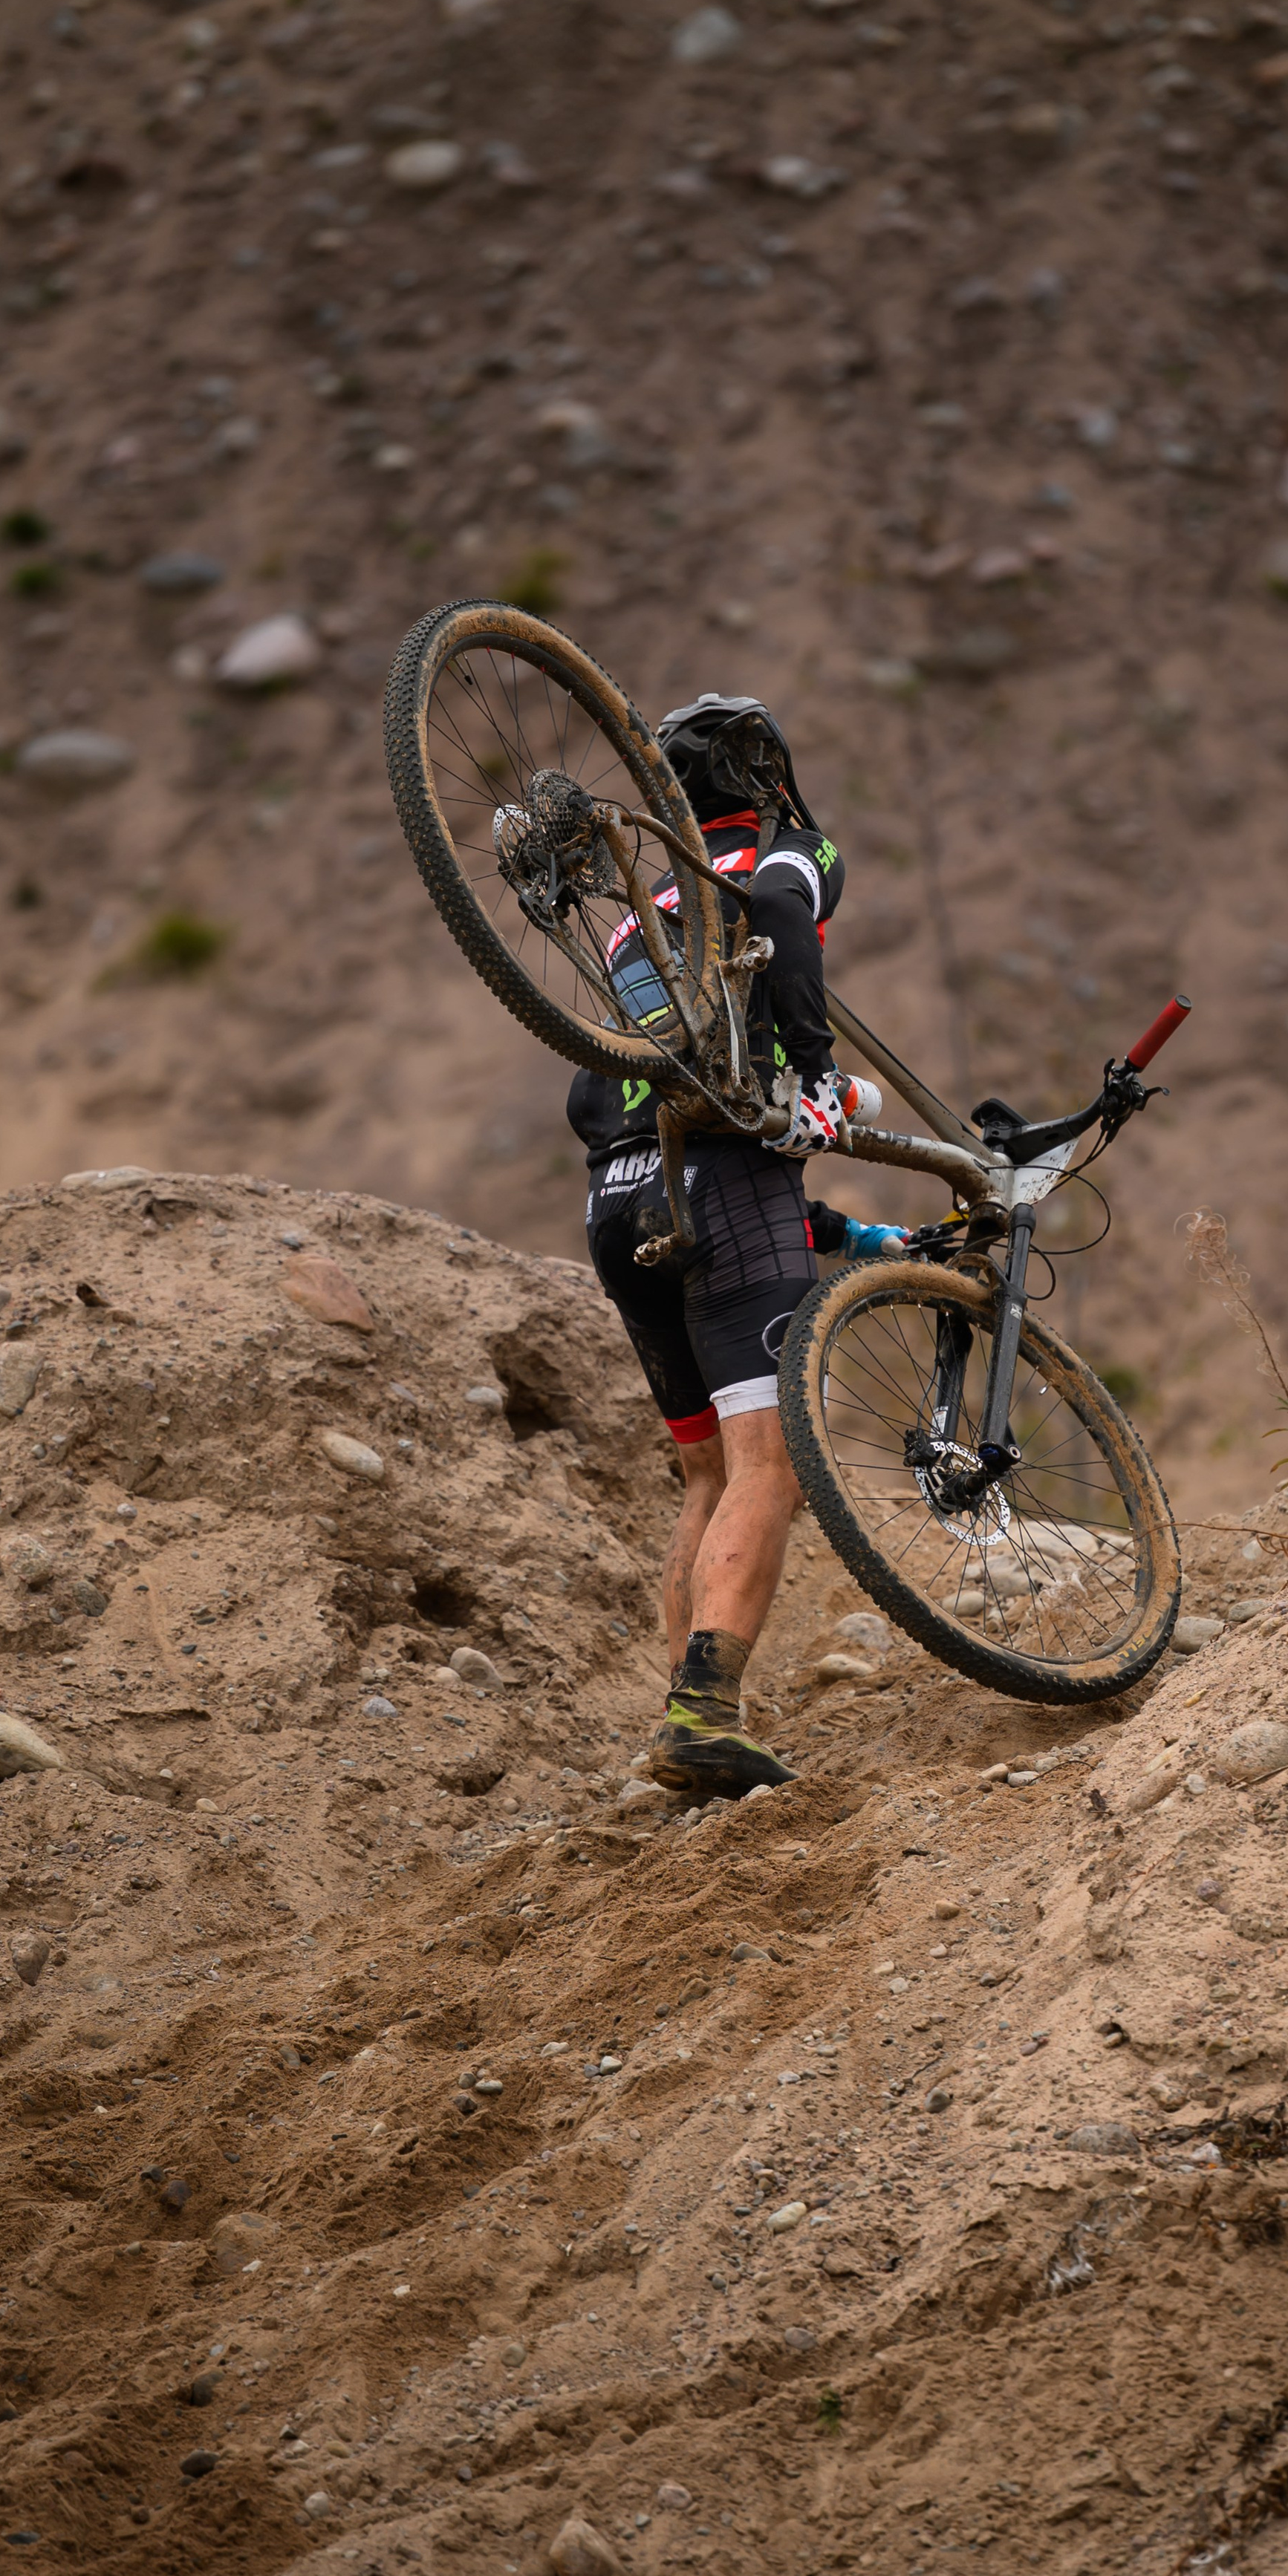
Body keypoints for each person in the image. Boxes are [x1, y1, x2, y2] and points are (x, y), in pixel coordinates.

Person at [533, 694, 902, 1798]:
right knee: (767, 1466)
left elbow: (603, 1087)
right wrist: (821, 1075)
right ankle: (704, 1718)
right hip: (726, 1183)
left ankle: (678, 1721)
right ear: (767, 775)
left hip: (618, 1195)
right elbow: (784, 915)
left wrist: (833, 1230)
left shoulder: (635, 917)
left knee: (705, 1470)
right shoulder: (781, 850)